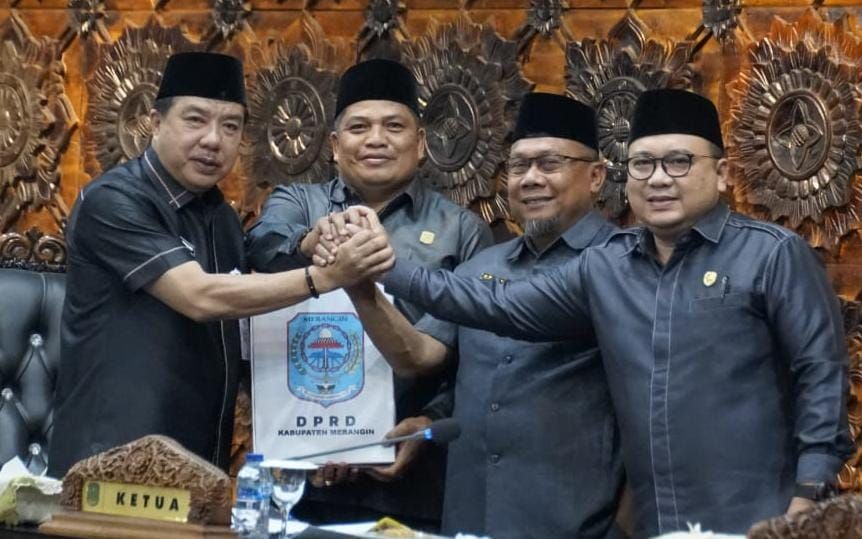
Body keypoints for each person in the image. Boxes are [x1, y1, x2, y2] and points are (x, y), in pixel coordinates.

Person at [371, 89, 852, 537]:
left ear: (723, 173)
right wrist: (382, 264)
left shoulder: (771, 255)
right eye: (642, 164)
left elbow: (820, 374)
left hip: (761, 514)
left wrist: (807, 496)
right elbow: (499, 304)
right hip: (657, 520)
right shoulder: (606, 266)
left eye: (679, 162)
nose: (658, 179)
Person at [48, 52, 392, 478]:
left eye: (230, 126)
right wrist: (325, 276)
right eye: (195, 120)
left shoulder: (221, 217)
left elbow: (250, 321)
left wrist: (311, 243)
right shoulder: (114, 200)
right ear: (155, 123)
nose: (213, 140)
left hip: (197, 460)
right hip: (111, 460)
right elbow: (199, 297)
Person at [343, 92, 626, 539]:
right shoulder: (481, 267)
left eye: (549, 164)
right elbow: (426, 357)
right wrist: (359, 286)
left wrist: (382, 263)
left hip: (572, 519)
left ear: (596, 177)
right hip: (470, 514)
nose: (530, 179)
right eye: (519, 166)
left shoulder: (623, 266)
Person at [245, 58, 493, 530]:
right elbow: (261, 243)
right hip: (297, 478)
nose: (376, 139)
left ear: (421, 143)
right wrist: (311, 242)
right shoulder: (298, 203)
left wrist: (429, 423)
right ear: (335, 146)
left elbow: (468, 358)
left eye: (394, 126)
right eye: (359, 127)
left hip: (410, 479)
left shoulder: (462, 231)